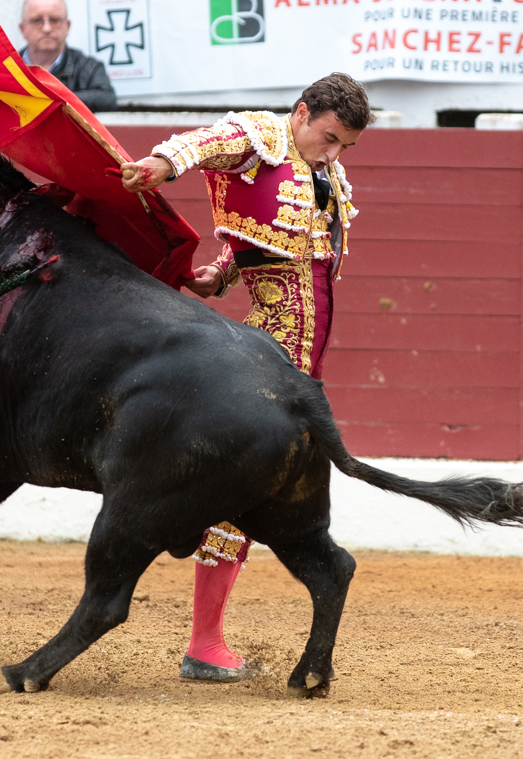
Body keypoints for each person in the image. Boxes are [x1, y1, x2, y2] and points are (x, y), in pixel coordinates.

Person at [121, 73, 373, 682]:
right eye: (330, 137)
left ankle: (205, 639)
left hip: (295, 360)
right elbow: (206, 142)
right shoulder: (260, 134)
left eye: (345, 146)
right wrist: (162, 164)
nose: (333, 153)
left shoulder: (321, 172)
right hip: (276, 351)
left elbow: (283, 241)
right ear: (303, 111)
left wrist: (221, 273)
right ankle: (204, 644)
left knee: (248, 498)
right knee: (241, 496)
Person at [18, 0, 117, 112]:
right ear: (22, 29)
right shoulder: (8, 70)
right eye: (37, 21)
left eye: (55, 20)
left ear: (67, 26)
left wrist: (53, 99)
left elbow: (106, 99)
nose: (47, 28)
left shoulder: (90, 67)